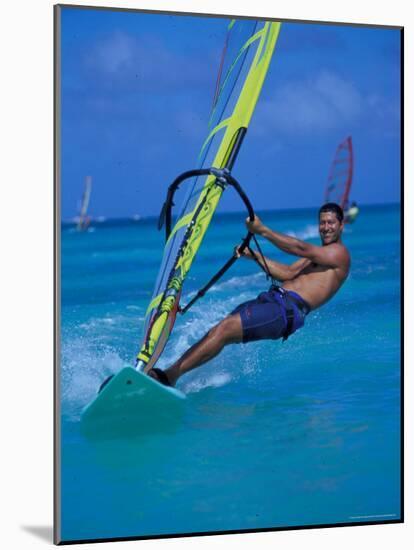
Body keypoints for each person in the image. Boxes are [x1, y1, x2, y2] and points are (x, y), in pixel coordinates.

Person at [148, 202, 351, 387]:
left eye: (331, 222)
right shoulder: (319, 256)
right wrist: (253, 255)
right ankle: (175, 374)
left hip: (284, 311)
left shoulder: (339, 253)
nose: (326, 227)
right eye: (322, 222)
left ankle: (169, 376)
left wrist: (262, 231)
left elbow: (300, 247)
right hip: (274, 301)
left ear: (341, 225)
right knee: (220, 330)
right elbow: (287, 274)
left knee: (224, 330)